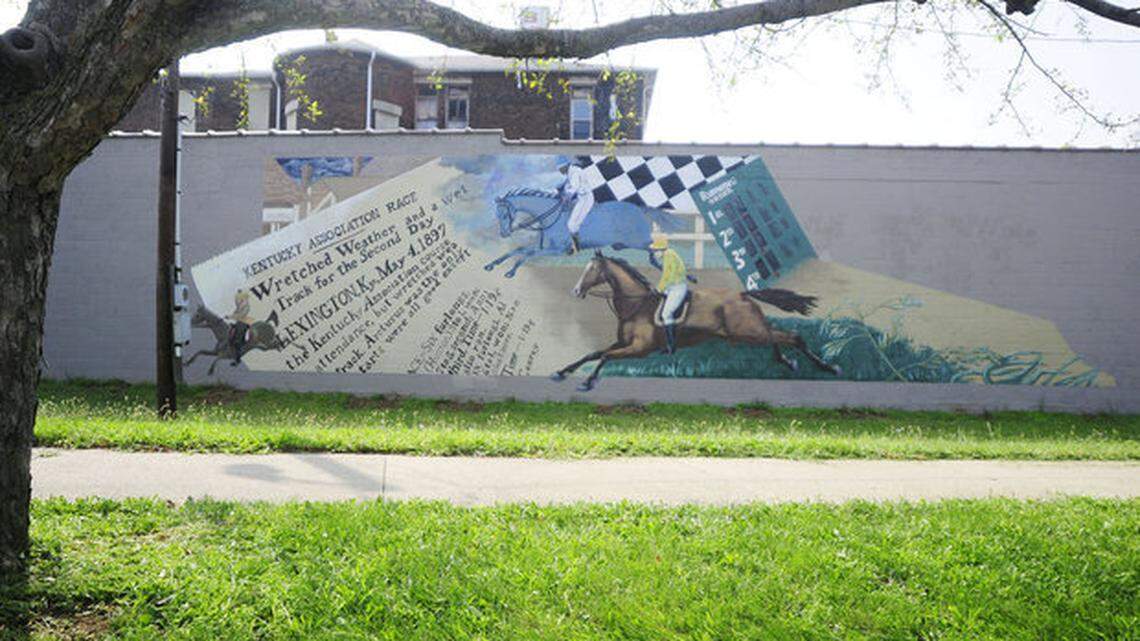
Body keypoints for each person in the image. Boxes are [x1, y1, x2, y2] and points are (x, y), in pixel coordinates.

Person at [650, 233, 687, 355]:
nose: (655, 253)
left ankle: (671, 347)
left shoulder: (669, 255)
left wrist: (659, 288)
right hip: (672, 287)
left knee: (666, 314)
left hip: (677, 287)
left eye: (655, 250)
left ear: (661, 249)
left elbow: (668, 275)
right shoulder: (669, 254)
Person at [558, 158, 594, 254]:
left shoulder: (574, 173)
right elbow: (567, 186)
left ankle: (576, 249)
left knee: (571, 224)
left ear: (566, 166)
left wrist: (566, 197)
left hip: (585, 198)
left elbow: (574, 188)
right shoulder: (570, 172)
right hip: (581, 198)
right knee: (570, 224)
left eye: (560, 168)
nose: (560, 171)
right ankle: (574, 246)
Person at [226, 289, 254, 365]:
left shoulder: (246, 306)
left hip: (244, 322)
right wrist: (229, 316)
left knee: (238, 339)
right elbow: (236, 312)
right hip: (239, 321)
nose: (239, 300)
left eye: (240, 298)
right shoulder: (240, 306)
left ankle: (238, 359)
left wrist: (231, 316)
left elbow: (241, 315)